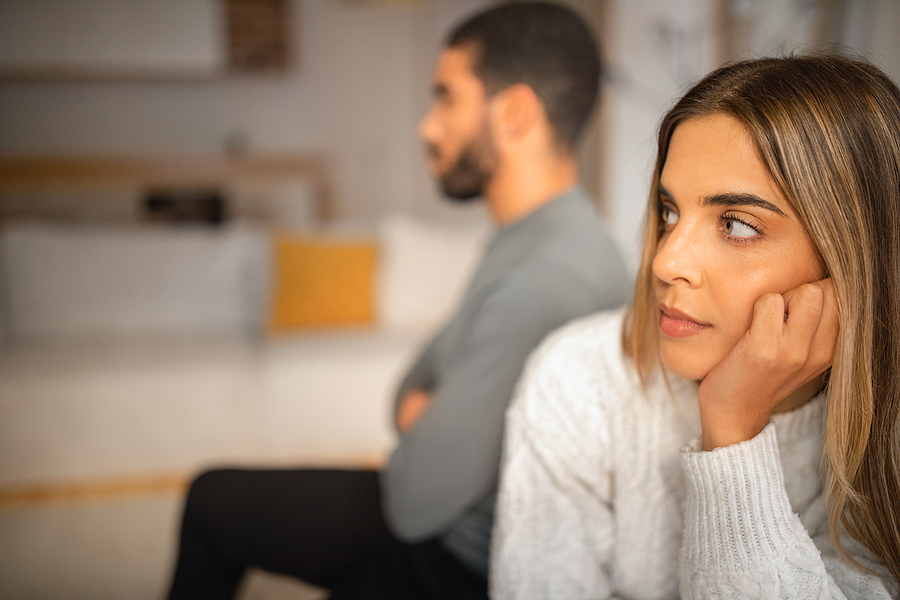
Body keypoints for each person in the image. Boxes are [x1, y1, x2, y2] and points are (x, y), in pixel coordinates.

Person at [166, 3, 629, 599]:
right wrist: (427, 413)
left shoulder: (546, 278)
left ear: (514, 113)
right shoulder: (540, 234)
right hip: (438, 525)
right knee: (215, 499)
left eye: (445, 98)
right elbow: (413, 381)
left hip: (454, 563)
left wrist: (427, 413)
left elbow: (414, 499)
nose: (426, 126)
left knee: (213, 503)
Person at [491, 54, 900, 599]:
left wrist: (731, 432)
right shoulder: (577, 379)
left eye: (735, 224)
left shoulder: (886, 438)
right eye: (668, 212)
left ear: (855, 262)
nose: (664, 262)